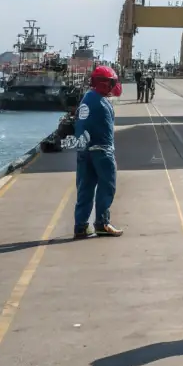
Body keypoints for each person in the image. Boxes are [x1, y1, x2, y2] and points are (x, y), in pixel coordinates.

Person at [73, 64, 124, 239]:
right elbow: (107, 133)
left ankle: (80, 226)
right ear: (104, 83)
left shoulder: (87, 98)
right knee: (107, 186)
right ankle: (102, 223)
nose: (113, 86)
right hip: (102, 151)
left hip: (83, 150)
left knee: (85, 188)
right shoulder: (103, 103)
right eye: (111, 83)